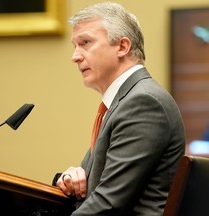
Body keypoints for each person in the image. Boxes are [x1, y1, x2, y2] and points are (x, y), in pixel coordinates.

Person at [52, 2, 185, 216]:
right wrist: (70, 178)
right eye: (75, 45)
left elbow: (108, 204)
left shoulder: (143, 103)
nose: (75, 56)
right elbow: (95, 186)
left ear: (122, 47)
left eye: (85, 43)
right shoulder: (122, 102)